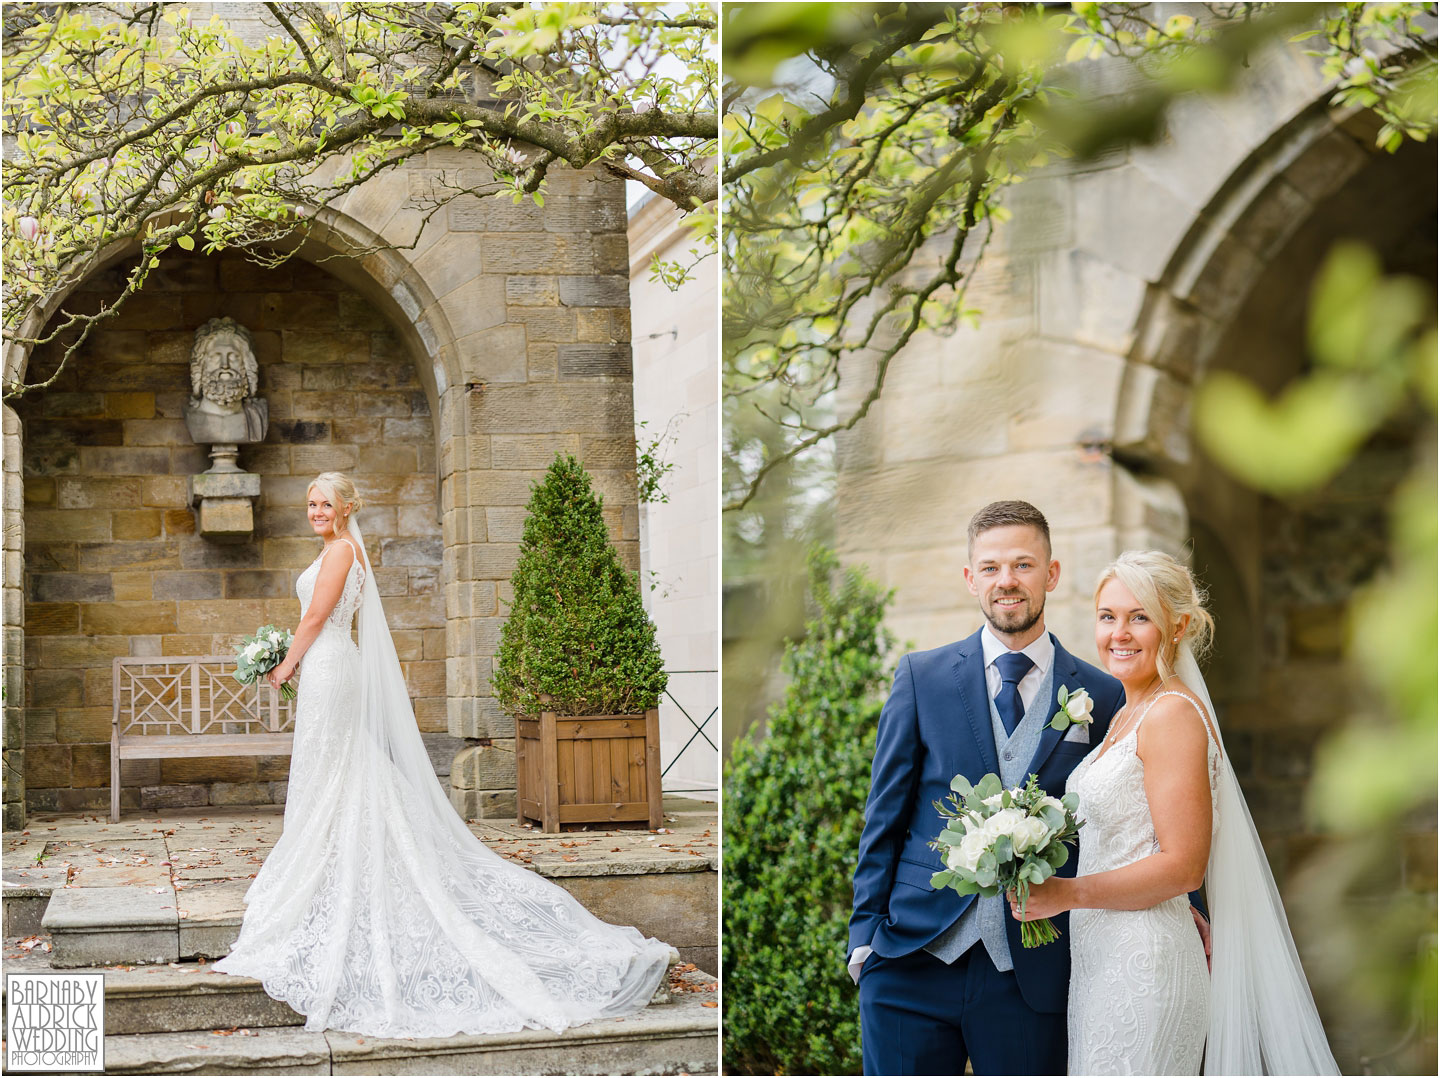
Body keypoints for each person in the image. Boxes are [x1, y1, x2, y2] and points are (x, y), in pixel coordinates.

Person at [214, 472, 675, 1038]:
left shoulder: (340, 552)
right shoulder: (340, 548)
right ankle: (333, 861)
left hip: (329, 667)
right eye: (310, 503)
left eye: (324, 503)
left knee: (338, 769)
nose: (315, 511)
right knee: (338, 769)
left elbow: (315, 618)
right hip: (329, 666)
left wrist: (285, 663)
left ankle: (339, 866)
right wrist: (286, 655)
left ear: (345, 508)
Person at [849, 501, 1208, 1075]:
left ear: (1052, 573)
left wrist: (1186, 905)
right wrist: (863, 942)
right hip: (910, 959)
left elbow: (1147, 810)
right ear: (971, 579)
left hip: (1037, 973)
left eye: (1023, 564)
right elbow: (883, 818)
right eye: (990, 568)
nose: (1006, 581)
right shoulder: (921, 677)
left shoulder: (1107, 692)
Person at [1009, 550, 1339, 1075]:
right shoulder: (1126, 712)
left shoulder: (1171, 715)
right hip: (1104, 958)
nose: (1120, 633)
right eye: (1108, 616)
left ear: (1177, 625)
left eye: (1140, 617)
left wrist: (1065, 894)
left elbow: (1184, 865)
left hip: (1144, 967)